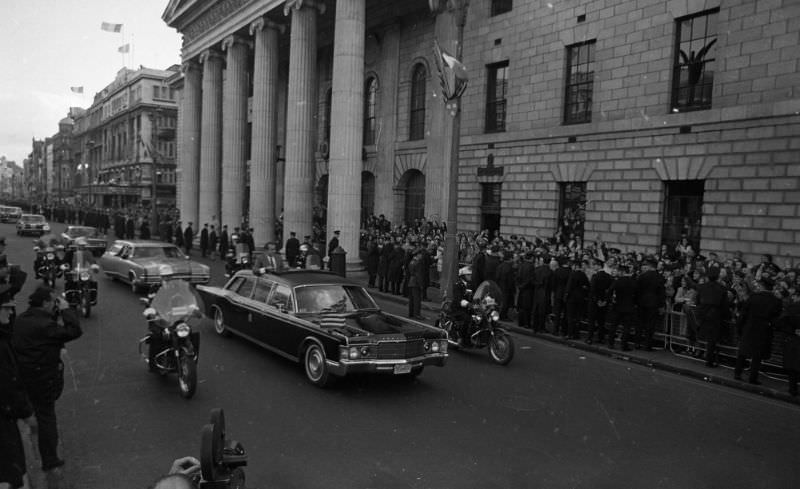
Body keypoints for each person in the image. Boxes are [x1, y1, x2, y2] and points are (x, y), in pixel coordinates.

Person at [12, 286, 82, 483]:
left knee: (35, 412)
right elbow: (74, 330)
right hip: (43, 378)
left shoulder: (22, 320)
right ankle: (50, 460)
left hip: (24, 376)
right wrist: (67, 309)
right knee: (47, 417)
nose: (55, 305)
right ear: (45, 303)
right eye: (53, 301)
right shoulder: (45, 325)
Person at [0, 286, 32, 489]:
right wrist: (26, 411)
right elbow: (8, 381)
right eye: (6, 308)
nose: (11, 312)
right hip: (4, 417)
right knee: (10, 473)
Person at [734, 277, 783, 385]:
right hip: (764, 330)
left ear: (761, 286)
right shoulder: (776, 301)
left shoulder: (753, 297)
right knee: (757, 356)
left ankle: (737, 373)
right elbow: (776, 318)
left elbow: (743, 314)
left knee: (743, 352)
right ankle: (753, 377)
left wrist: (739, 327)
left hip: (749, 327)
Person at [696, 267, 730, 367]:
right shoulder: (722, 289)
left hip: (703, 315)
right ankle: (709, 360)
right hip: (715, 316)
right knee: (712, 340)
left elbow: (697, 301)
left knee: (703, 336)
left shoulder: (701, 287)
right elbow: (725, 306)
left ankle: (702, 354)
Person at [636, 257, 665, 350]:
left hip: (641, 302)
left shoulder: (642, 276)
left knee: (640, 324)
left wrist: (637, 301)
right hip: (653, 304)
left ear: (649, 266)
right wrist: (661, 305)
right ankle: (647, 345)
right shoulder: (660, 277)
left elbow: (638, 290)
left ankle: (637, 343)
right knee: (650, 325)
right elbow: (661, 293)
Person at [406, 249, 425, 320]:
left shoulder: (412, 262)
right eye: (421, 255)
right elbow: (419, 274)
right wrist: (421, 284)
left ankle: (411, 313)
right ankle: (417, 314)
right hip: (416, 282)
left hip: (411, 281)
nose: (422, 256)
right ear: (418, 255)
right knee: (417, 299)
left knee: (411, 299)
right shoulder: (418, 263)